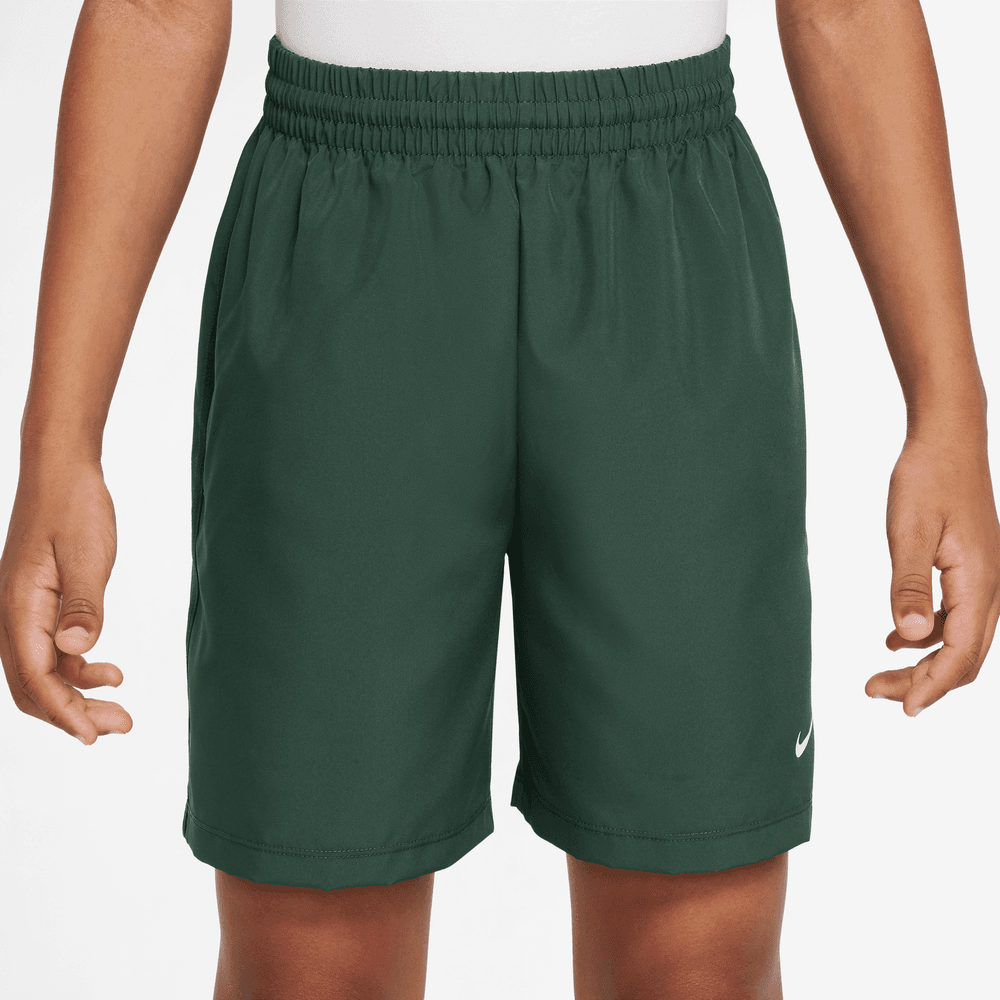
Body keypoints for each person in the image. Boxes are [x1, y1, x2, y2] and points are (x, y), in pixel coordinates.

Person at [1, 1, 997, 998]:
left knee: (699, 967)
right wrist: (59, 442)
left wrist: (949, 407)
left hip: (662, 240)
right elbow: (157, 13)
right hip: (346, 240)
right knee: (307, 965)